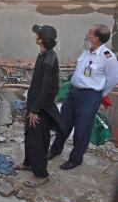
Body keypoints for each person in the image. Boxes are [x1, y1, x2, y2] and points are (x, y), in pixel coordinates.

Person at [48, 24, 118, 170]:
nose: (86, 34)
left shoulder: (108, 57)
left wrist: (98, 94)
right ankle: (55, 149)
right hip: (73, 93)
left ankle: (75, 159)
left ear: (96, 39)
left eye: (89, 33)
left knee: (82, 129)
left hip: (90, 97)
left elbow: (112, 79)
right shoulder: (86, 50)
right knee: (63, 124)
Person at [17, 26, 62, 187]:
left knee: (38, 140)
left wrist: (35, 110)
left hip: (40, 108)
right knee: (29, 135)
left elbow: (47, 88)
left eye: (38, 34)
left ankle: (41, 174)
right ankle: (29, 162)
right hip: (34, 104)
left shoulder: (49, 60)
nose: (35, 35)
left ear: (41, 40)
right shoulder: (44, 55)